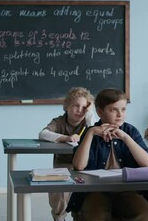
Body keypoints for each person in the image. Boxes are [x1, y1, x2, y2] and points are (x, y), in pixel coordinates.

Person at [66, 88, 148, 221]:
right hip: (95, 190)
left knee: (144, 215)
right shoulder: (91, 132)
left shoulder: (130, 131)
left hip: (127, 189)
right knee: (97, 216)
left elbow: (147, 163)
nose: (120, 114)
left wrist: (125, 137)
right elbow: (79, 165)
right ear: (100, 112)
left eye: (123, 109)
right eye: (113, 110)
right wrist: (91, 133)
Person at [38, 87, 96, 221]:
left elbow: (95, 131)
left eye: (84, 107)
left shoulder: (88, 123)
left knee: (88, 192)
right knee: (59, 190)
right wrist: (65, 138)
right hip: (64, 165)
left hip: (83, 165)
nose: (80, 110)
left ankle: (79, 214)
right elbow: (43, 134)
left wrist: (90, 113)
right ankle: (59, 216)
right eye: (76, 105)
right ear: (67, 106)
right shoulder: (59, 122)